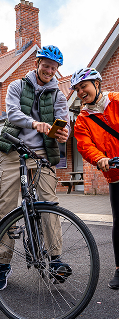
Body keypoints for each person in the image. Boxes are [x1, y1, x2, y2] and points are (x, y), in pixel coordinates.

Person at [0, 45, 71, 290]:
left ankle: (56, 258)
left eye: (54, 67)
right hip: (13, 148)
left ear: (57, 70)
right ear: (37, 64)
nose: (49, 70)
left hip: (41, 154)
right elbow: (12, 113)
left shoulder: (58, 95)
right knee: (6, 206)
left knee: (49, 203)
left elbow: (63, 121)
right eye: (46, 65)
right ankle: (3, 264)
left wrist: (63, 134)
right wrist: (35, 123)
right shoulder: (17, 86)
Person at [71, 67, 119, 290]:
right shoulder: (82, 120)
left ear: (97, 84)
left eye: (84, 86)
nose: (81, 92)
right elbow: (85, 145)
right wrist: (100, 158)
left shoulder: (117, 101)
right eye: (77, 89)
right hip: (116, 175)